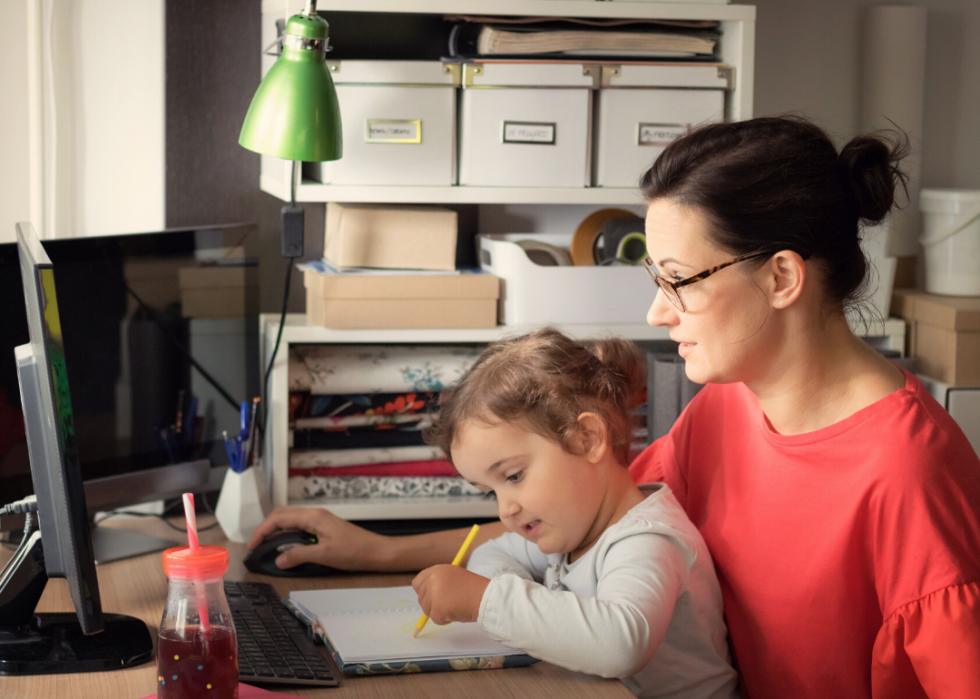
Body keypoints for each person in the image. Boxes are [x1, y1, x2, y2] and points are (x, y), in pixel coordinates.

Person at [249, 116, 980, 698]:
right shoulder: (722, 411)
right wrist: (373, 550)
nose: (659, 313)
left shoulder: (910, 473)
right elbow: (570, 521)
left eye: (678, 280)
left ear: (783, 276)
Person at [411, 328, 738, 699]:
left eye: (514, 476)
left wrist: (486, 600)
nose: (506, 509)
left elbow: (620, 645)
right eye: (492, 493)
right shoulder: (573, 530)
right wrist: (510, 593)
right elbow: (493, 552)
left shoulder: (648, 539)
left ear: (588, 439)